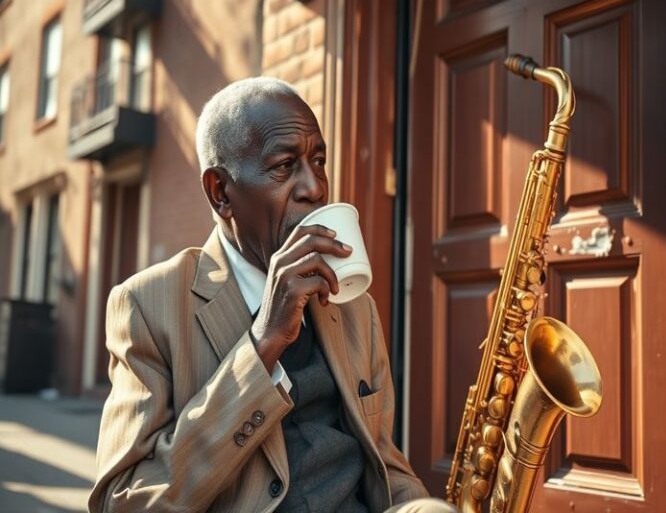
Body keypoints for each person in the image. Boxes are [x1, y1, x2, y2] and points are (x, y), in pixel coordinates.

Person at [89, 78, 456, 513]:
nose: (315, 187)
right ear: (220, 193)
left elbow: (385, 464)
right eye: (284, 166)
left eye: (318, 160)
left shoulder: (354, 303)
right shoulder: (147, 306)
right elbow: (124, 502)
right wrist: (261, 346)